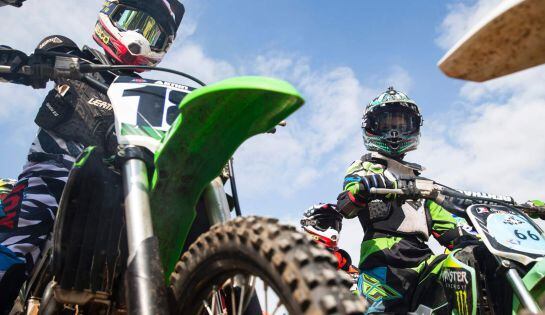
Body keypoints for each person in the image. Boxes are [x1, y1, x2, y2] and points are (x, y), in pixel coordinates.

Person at [0, 0, 185, 311]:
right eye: (133, 19)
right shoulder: (73, 57)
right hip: (55, 171)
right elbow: (28, 62)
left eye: (151, 31)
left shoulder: (151, 92)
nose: (139, 34)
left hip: (123, 185)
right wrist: (25, 63)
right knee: (20, 230)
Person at [335, 87, 477, 314]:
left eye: (400, 125)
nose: (393, 131)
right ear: (372, 126)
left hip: (423, 260)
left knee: (467, 267)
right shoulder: (364, 167)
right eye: (387, 124)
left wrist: (473, 240)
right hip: (382, 262)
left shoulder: (421, 184)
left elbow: (448, 230)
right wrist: (365, 188)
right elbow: (346, 205)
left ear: (413, 127)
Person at [300, 203, 359, 274]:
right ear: (308, 223)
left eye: (336, 225)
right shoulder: (294, 251)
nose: (333, 230)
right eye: (325, 223)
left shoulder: (342, 261)